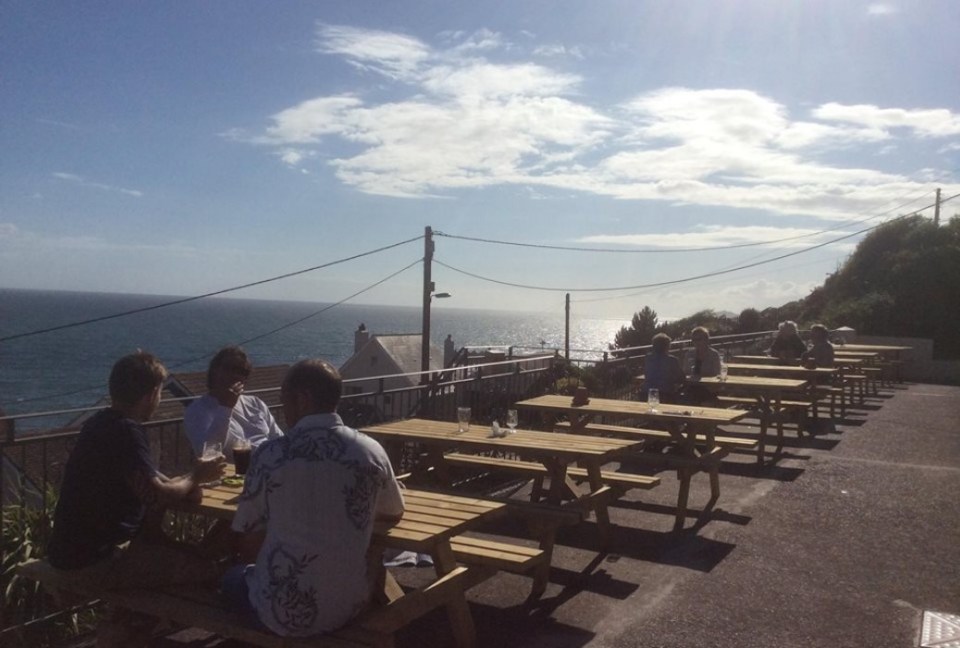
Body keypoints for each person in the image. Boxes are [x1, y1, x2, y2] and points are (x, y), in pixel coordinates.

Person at [46, 352, 226, 646]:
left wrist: (188, 480)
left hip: (69, 553)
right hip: (98, 562)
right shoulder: (127, 431)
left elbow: (150, 478)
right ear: (152, 393)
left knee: (186, 555)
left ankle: (125, 628)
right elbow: (157, 493)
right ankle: (127, 633)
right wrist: (195, 476)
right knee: (211, 569)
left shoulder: (100, 423)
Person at [223, 358, 405, 637]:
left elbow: (248, 542)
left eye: (285, 401)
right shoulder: (371, 452)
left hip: (278, 615)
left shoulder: (270, 455)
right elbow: (394, 512)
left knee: (229, 578)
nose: (283, 411)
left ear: (303, 399)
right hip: (349, 606)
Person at [184, 346, 283, 462]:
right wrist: (226, 407)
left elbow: (279, 439)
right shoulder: (197, 410)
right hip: (234, 475)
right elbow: (207, 453)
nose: (236, 375)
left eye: (242, 372)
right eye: (230, 368)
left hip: (271, 469)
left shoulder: (255, 403)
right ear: (215, 370)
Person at [641, 333, 685, 403]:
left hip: (646, 393)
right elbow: (681, 378)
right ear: (667, 346)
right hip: (665, 394)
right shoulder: (672, 360)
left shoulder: (648, 358)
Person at [683, 327, 722, 405]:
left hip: (708, 388)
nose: (696, 342)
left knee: (694, 397)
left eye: (699, 339)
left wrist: (702, 378)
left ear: (706, 340)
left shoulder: (713, 354)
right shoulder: (689, 354)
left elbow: (717, 374)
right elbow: (684, 373)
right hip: (692, 387)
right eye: (694, 340)